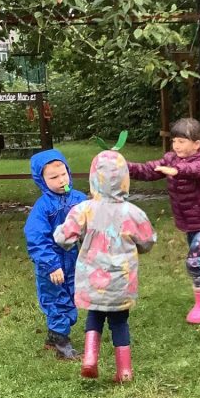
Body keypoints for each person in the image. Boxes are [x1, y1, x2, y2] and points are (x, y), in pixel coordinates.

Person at [54, 149, 156, 382]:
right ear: (124, 178)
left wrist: (61, 232)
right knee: (120, 322)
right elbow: (147, 241)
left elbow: (63, 238)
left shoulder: (84, 210)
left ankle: (90, 358)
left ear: (93, 178)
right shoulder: (133, 213)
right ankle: (124, 370)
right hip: (121, 281)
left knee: (95, 316)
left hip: (93, 279)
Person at [127, 118, 200, 324]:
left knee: (193, 262)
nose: (176, 146)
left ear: (196, 144)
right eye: (174, 141)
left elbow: (198, 170)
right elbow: (149, 169)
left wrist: (177, 171)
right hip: (190, 223)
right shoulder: (171, 159)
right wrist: (124, 166)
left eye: (182, 141)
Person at [24, 148, 86, 360]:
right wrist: (51, 265)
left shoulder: (79, 199)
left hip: (73, 259)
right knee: (56, 300)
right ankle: (62, 346)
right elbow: (36, 238)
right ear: (41, 180)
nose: (61, 180)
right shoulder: (43, 208)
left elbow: (90, 223)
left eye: (63, 174)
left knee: (71, 296)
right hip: (52, 263)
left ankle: (53, 337)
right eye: (53, 177)